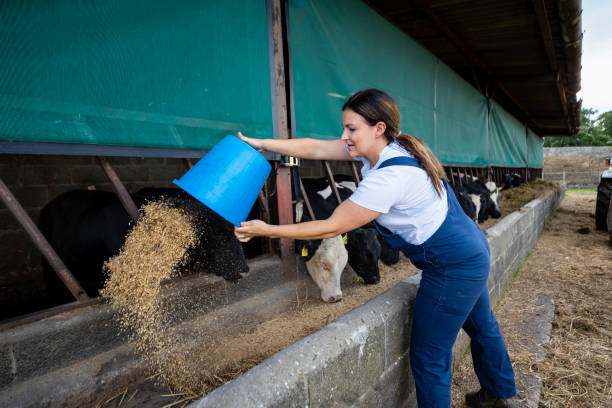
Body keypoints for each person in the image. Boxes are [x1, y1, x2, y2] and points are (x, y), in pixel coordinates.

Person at [235, 88, 517, 408]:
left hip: (452, 265)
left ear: (378, 128)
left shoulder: (388, 178)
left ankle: (495, 395)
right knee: (483, 326)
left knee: (429, 356)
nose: (345, 136)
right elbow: (316, 146)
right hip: (470, 248)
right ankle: (498, 396)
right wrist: (264, 144)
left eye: (351, 129)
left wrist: (267, 229)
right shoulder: (394, 147)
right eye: (344, 128)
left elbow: (333, 226)